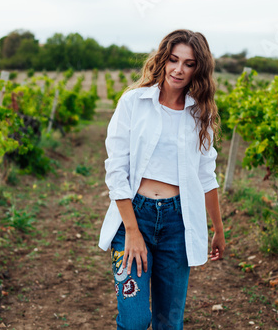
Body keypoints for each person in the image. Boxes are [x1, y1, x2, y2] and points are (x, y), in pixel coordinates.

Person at [98, 29, 225, 330]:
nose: (179, 69)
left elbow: (207, 175)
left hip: (177, 222)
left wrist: (218, 228)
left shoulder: (200, 114)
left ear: (199, 69)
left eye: (189, 63)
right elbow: (116, 170)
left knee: (169, 323)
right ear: (163, 59)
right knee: (134, 320)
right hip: (133, 216)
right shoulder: (133, 103)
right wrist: (132, 230)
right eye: (173, 59)